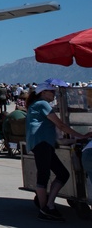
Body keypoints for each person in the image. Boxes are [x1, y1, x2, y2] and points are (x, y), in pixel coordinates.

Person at [28, 81, 90, 222]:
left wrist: (71, 139)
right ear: (43, 92)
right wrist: (81, 136)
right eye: (52, 91)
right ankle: (45, 209)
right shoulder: (42, 104)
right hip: (42, 144)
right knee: (44, 176)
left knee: (62, 174)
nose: (54, 94)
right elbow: (61, 125)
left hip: (43, 143)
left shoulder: (35, 104)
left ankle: (49, 205)